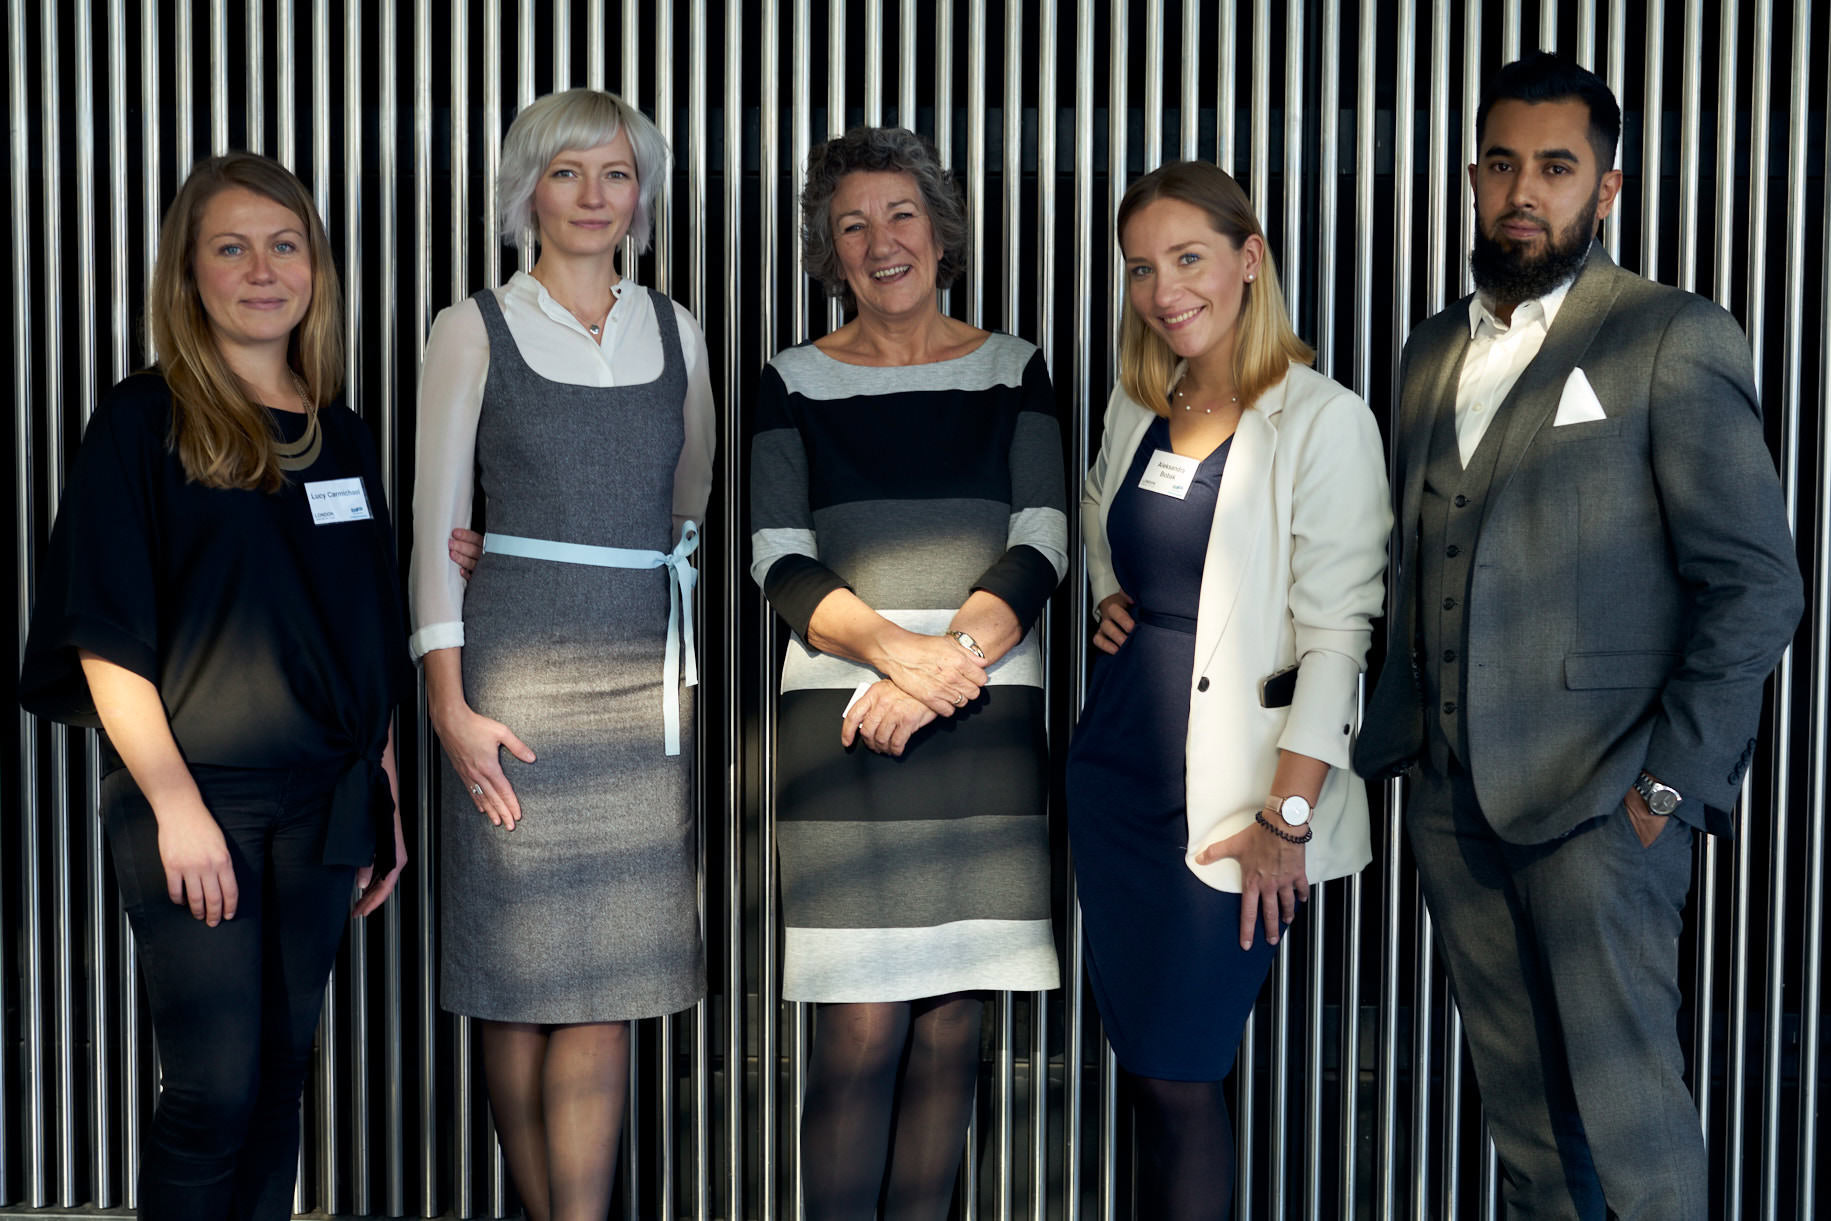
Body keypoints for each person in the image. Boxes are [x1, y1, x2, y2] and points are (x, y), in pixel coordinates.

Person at [1353, 52, 1804, 1220]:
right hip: (1453, 799)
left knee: (1634, 1126)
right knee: (1528, 1134)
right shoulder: (1424, 353)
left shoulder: (1670, 336)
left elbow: (1755, 584)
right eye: (1501, 164)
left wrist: (1667, 788)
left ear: (1604, 190)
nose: (1523, 191)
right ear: (1469, 175)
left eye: (1555, 168)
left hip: (1608, 804)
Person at [18, 153, 408, 1220]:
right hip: (200, 800)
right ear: (187, 273)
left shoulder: (342, 431)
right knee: (212, 1089)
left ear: (317, 270)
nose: (261, 270)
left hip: (326, 799)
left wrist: (381, 788)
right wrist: (175, 807)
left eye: (285, 245)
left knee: (282, 1079)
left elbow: (362, 628)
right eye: (230, 247)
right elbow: (103, 636)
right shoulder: (143, 422)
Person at [747, 126, 1065, 1219]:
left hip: (979, 727)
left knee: (946, 1042)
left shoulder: (1014, 367)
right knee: (859, 1036)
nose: (881, 241)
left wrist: (951, 663)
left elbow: (1041, 539)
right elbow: (777, 557)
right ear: (828, 255)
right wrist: (901, 659)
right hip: (846, 734)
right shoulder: (786, 382)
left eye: (900, 216)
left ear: (940, 232)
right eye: (852, 224)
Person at [410, 88, 714, 1221]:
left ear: (643, 195)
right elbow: (433, 528)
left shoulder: (676, 328)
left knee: (607, 984)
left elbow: (689, 499)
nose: (593, 197)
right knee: (518, 975)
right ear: (526, 189)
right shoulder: (470, 326)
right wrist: (447, 703)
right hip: (513, 684)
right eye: (567, 174)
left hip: (642, 685)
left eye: (616, 175)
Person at [1065, 160, 1390, 1220]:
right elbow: (1102, 513)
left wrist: (1285, 818)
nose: (1165, 291)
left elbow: (1339, 638)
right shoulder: (1137, 399)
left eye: (1189, 259)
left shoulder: (1321, 420)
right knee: (1143, 1074)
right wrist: (1117, 592)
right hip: (1116, 774)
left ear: (1250, 260)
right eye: (1142, 269)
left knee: (1180, 1074)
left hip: (1235, 806)